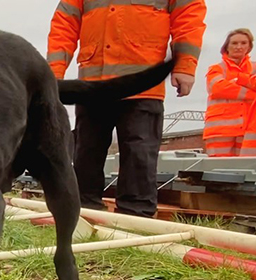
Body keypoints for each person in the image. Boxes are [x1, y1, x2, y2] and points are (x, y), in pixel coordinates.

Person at [48, 0, 207, 217]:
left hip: (142, 85)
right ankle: (83, 212)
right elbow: (64, 25)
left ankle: (136, 215)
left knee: (139, 154)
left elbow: (188, 18)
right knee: (87, 152)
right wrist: (53, 74)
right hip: (95, 84)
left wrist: (186, 66)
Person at [204, 29, 256, 156]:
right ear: (226, 46)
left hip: (248, 132)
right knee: (219, 171)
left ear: (249, 46)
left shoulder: (254, 68)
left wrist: (239, 81)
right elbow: (218, 88)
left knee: (245, 170)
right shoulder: (217, 69)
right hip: (220, 132)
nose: (239, 47)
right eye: (234, 43)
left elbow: (226, 89)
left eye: (243, 43)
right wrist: (252, 93)